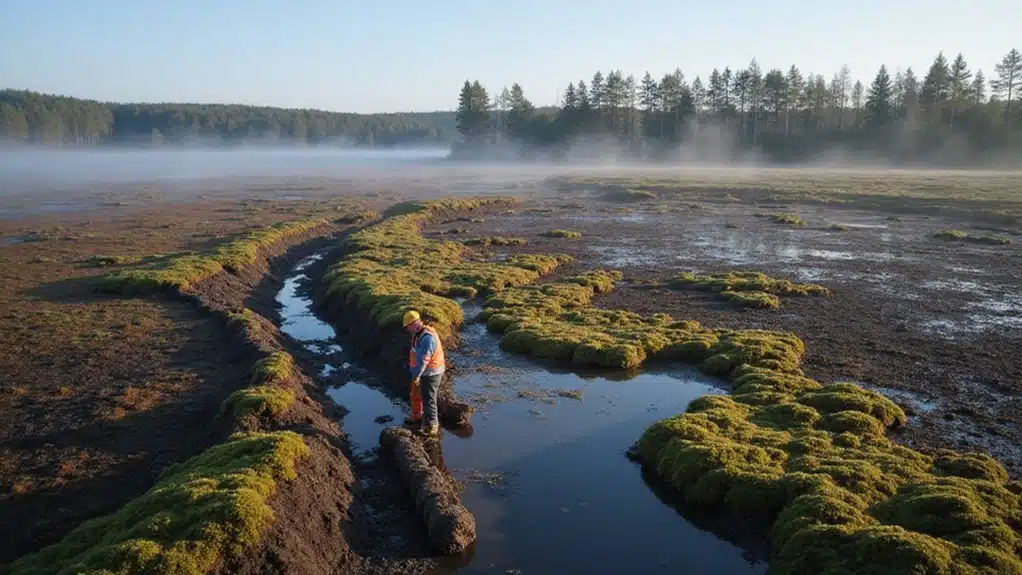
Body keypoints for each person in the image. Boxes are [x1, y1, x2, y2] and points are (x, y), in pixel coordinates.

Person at [403, 310, 445, 437]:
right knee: (417, 394)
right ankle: (417, 415)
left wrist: (417, 375)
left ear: (415, 323)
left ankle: (432, 426)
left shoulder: (427, 338)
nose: (408, 329)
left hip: (431, 373)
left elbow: (423, 360)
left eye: (408, 326)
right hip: (422, 371)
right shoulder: (418, 334)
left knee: (429, 399)